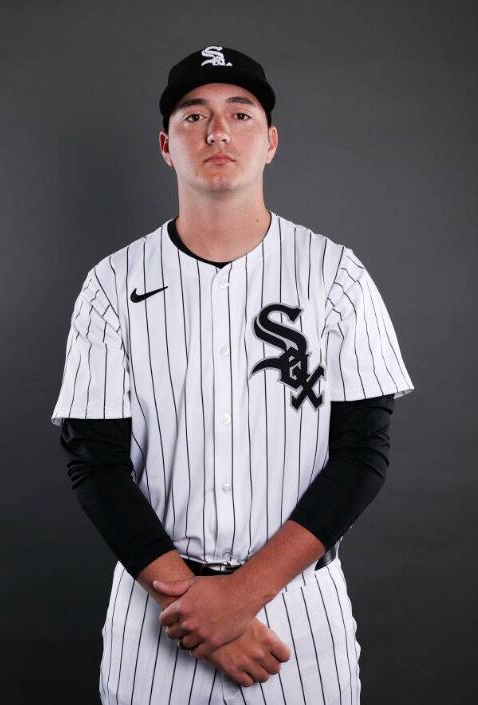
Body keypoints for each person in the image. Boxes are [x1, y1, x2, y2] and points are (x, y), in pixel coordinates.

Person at [51, 45, 414, 705]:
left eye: (240, 114)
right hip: (157, 613)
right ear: (166, 146)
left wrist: (240, 598)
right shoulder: (111, 284)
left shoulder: (335, 275)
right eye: (194, 115)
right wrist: (198, 609)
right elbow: (94, 462)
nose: (217, 130)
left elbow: (362, 453)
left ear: (270, 141)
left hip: (297, 612)